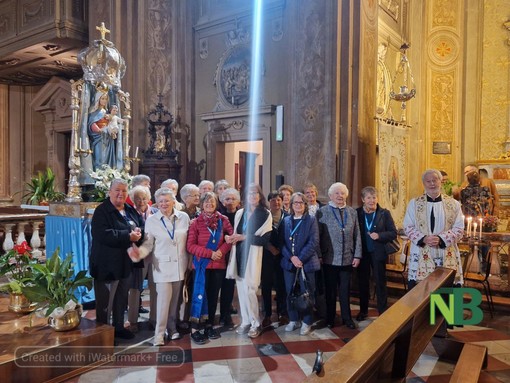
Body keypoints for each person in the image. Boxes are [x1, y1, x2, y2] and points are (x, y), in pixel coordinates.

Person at [128, 188, 190, 346]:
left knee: (176, 301)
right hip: (162, 266)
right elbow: (148, 244)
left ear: (173, 200)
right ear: (156, 202)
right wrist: (139, 253)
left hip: (180, 265)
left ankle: (172, 328)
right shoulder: (152, 220)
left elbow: (189, 240)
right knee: (163, 301)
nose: (164, 204)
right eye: (161, 201)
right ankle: (159, 334)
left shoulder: (183, 217)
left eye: (167, 200)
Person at [90, 178, 143, 339]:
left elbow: (139, 224)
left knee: (121, 299)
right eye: (117, 190)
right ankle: (103, 334)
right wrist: (128, 236)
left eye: (124, 190)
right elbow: (102, 234)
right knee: (105, 303)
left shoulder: (129, 209)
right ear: (110, 192)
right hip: (107, 264)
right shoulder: (102, 211)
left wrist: (139, 233)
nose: (121, 193)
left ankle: (118, 327)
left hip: (125, 263)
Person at [404, 169, 464, 288]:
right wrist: (424, 238)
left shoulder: (453, 204)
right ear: (424, 184)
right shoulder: (414, 204)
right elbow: (408, 227)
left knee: (446, 294)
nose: (432, 184)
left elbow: (459, 228)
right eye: (428, 181)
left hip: (446, 252)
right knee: (421, 294)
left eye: (434, 180)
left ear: (441, 182)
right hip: (422, 251)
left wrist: (441, 239)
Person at [226, 183, 272, 338]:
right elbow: (236, 232)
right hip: (239, 253)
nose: (252, 196)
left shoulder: (265, 213)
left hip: (254, 254)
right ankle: (245, 320)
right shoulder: (240, 213)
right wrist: (232, 237)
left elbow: (265, 239)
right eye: (249, 193)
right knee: (241, 290)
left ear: (260, 196)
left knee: (251, 290)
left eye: (255, 193)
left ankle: (255, 323)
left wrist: (243, 237)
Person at [187, 192, 233, 344]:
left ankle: (209, 325)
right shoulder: (195, 222)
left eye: (212, 202)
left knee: (213, 297)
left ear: (216, 204)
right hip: (202, 265)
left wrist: (221, 251)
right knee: (200, 295)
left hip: (218, 265)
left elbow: (231, 238)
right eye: (206, 202)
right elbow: (190, 246)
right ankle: (195, 328)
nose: (209, 204)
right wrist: (210, 253)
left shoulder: (223, 220)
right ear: (201, 204)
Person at [316, 182, 361, 329]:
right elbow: (317, 236)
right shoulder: (322, 212)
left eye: (342, 193)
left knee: (344, 291)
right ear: (330, 196)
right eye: (337, 193)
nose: (340, 196)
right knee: (330, 291)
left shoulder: (352, 212)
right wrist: (319, 255)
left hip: (347, 258)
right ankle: (330, 318)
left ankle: (347, 318)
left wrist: (357, 255)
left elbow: (357, 235)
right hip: (329, 258)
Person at [280, 192, 320, 335]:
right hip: (289, 263)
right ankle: (293, 319)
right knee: (289, 292)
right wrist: (291, 258)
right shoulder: (286, 221)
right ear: (291, 205)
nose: (298, 205)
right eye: (295, 203)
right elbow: (282, 243)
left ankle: (307, 321)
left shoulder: (311, 220)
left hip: (307, 263)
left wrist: (300, 258)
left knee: (307, 292)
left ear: (305, 205)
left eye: (301, 203)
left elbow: (313, 242)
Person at [355, 186, 397, 320]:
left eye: (374, 197)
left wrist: (379, 235)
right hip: (362, 254)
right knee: (363, 283)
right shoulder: (356, 213)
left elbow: (393, 233)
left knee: (380, 283)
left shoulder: (384, 213)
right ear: (363, 199)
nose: (372, 200)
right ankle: (363, 311)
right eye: (368, 197)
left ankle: (382, 311)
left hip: (378, 254)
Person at [127, 185, 158, 331]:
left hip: (156, 255)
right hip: (139, 256)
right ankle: (133, 321)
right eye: (137, 198)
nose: (141, 201)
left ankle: (154, 318)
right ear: (132, 199)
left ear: (149, 199)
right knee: (135, 288)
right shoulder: (129, 214)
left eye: (144, 198)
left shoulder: (156, 212)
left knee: (155, 287)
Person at [261, 190, 288, 328]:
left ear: (282, 201)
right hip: (267, 257)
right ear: (268, 202)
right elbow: (259, 234)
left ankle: (282, 313)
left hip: (283, 257)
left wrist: (282, 250)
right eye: (272, 200)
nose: (276, 202)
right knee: (266, 286)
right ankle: (266, 314)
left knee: (281, 286)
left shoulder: (288, 217)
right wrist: (270, 247)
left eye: (278, 200)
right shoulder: (264, 216)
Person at [218, 187, 241, 328]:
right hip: (221, 254)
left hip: (236, 254)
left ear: (238, 201)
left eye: (233, 199)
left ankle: (225, 315)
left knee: (229, 286)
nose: (230, 202)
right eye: (227, 199)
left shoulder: (241, 215)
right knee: (218, 286)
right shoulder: (219, 215)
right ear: (222, 200)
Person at [88, 90, 123, 171]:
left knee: (108, 160)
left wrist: (112, 130)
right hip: (98, 138)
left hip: (108, 138)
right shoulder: (94, 113)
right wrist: (100, 130)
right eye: (102, 98)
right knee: (99, 158)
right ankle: (98, 175)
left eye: (105, 99)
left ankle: (108, 174)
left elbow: (113, 122)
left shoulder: (108, 113)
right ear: (98, 99)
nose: (104, 101)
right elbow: (92, 124)